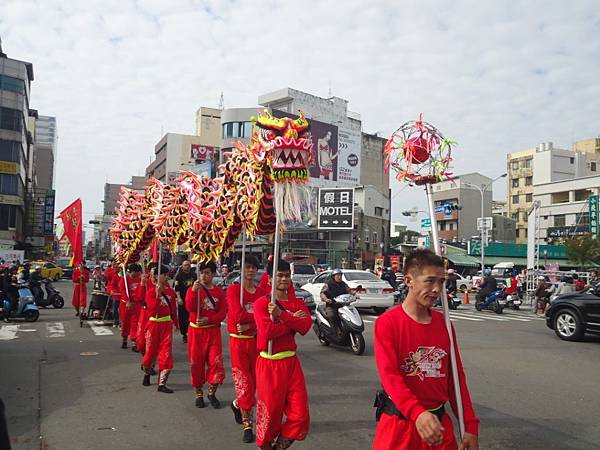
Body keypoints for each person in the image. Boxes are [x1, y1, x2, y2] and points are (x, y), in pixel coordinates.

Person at [373, 249, 479, 449]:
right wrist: (417, 413)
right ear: (409, 280)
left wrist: (470, 425)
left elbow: (455, 379)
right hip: (400, 427)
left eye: (441, 281)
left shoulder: (444, 324)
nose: (437, 289)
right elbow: (391, 378)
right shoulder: (387, 323)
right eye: (430, 281)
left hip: (439, 430)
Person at [254, 259, 312, 450]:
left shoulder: (297, 303)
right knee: (270, 415)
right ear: (269, 279)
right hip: (269, 363)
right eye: (279, 275)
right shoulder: (262, 304)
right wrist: (292, 321)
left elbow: (305, 327)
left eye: (287, 275)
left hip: (291, 363)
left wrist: (282, 315)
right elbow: (267, 332)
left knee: (300, 414)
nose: (284, 279)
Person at [226, 255, 267, 443]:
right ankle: (247, 425)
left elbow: (263, 318)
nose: (251, 270)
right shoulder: (234, 290)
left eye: (254, 268)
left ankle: (237, 405)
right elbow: (237, 314)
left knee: (256, 382)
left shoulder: (260, 293)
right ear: (241, 269)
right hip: (238, 342)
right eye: (247, 267)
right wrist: (253, 320)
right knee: (244, 383)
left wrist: (250, 325)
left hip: (255, 342)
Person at [185, 260, 227, 408]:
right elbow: (189, 307)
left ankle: (212, 392)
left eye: (207, 273)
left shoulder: (219, 292)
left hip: (213, 332)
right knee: (196, 363)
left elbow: (222, 313)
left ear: (213, 274)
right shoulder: (194, 289)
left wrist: (209, 318)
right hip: (196, 332)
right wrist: (193, 292)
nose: (204, 276)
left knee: (216, 362)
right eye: (202, 273)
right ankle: (199, 394)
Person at [142, 264, 178, 393]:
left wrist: (176, 323)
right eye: (162, 274)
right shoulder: (151, 292)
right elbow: (151, 310)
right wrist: (157, 297)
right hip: (153, 325)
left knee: (166, 353)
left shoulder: (170, 292)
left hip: (166, 325)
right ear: (156, 276)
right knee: (150, 353)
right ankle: (146, 372)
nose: (165, 277)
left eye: (166, 274)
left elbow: (173, 309)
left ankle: (161, 383)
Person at [119, 264, 145, 351]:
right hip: (126, 305)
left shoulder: (141, 280)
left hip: (137, 305)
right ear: (132, 272)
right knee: (125, 323)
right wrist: (127, 301)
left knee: (135, 324)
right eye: (137, 272)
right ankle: (124, 339)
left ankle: (135, 342)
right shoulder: (124, 280)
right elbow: (123, 291)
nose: (139, 274)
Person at [320, 268, 349, 336]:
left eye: (340, 275)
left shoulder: (343, 284)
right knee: (332, 316)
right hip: (331, 305)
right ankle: (335, 332)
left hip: (342, 305)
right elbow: (322, 293)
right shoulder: (328, 284)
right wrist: (326, 299)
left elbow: (349, 291)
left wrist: (355, 295)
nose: (339, 277)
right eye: (337, 276)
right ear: (333, 276)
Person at [174, 259, 195, 344]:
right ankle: (184, 334)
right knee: (182, 317)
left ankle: (191, 332)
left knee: (191, 316)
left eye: (188, 265)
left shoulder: (194, 275)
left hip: (192, 299)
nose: (187, 266)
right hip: (182, 299)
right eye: (185, 265)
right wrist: (179, 298)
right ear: (182, 267)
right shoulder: (178, 277)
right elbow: (177, 288)